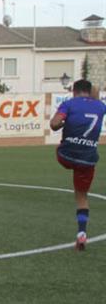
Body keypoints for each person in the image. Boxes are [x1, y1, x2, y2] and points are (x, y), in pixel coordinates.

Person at [50, 79, 105, 251]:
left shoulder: (69, 104)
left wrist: (65, 124)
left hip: (66, 156)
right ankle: (81, 234)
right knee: (81, 197)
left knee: (60, 147)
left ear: (74, 91)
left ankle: (67, 155)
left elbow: (53, 124)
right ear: (90, 91)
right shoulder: (100, 106)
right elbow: (96, 94)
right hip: (88, 159)